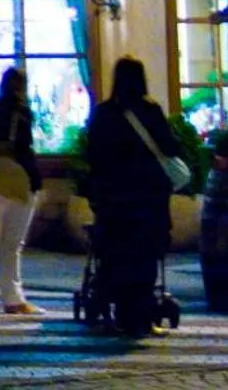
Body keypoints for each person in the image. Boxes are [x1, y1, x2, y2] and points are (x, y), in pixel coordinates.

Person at [85, 55, 182, 337]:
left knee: (117, 256)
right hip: (148, 200)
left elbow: (93, 155)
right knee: (145, 259)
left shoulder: (104, 114)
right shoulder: (151, 112)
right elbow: (170, 147)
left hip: (114, 201)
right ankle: (141, 316)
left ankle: (118, 310)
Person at [0, 66, 43, 315]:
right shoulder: (22, 112)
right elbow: (25, 148)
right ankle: (13, 298)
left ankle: (9, 293)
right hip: (20, 177)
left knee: (4, 239)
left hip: (1, 176)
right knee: (13, 241)